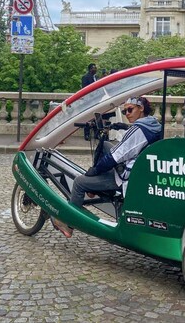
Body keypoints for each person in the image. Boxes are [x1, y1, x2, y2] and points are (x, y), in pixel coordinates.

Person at [52, 96, 162, 238]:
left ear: (141, 109)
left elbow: (115, 157)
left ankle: (69, 224)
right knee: (105, 146)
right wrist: (122, 126)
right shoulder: (152, 123)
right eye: (124, 112)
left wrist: (95, 170)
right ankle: (92, 187)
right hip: (143, 171)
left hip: (128, 178)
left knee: (79, 182)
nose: (127, 114)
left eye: (130, 110)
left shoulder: (139, 130)